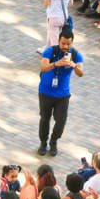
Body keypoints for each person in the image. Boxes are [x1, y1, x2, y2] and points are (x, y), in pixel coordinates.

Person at [37, 27, 84, 156]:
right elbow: (43, 66)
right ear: (58, 41)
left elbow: (81, 73)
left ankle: (53, 141)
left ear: (72, 43)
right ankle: (43, 143)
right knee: (45, 118)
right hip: (45, 92)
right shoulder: (50, 51)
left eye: (68, 44)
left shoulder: (76, 55)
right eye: (63, 43)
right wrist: (56, 64)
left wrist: (73, 65)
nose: (65, 46)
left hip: (63, 94)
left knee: (61, 120)